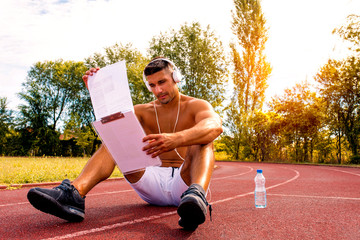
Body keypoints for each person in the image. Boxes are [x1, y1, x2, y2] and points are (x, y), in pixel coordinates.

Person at [27, 57, 223, 230]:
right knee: (116, 134)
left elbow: (214, 126)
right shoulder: (142, 110)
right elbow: (109, 119)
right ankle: (74, 194)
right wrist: (97, 90)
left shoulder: (197, 105)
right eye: (152, 85)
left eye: (162, 82)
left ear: (176, 77)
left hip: (185, 183)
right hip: (150, 182)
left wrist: (176, 139)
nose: (158, 90)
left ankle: (197, 198)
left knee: (204, 140)